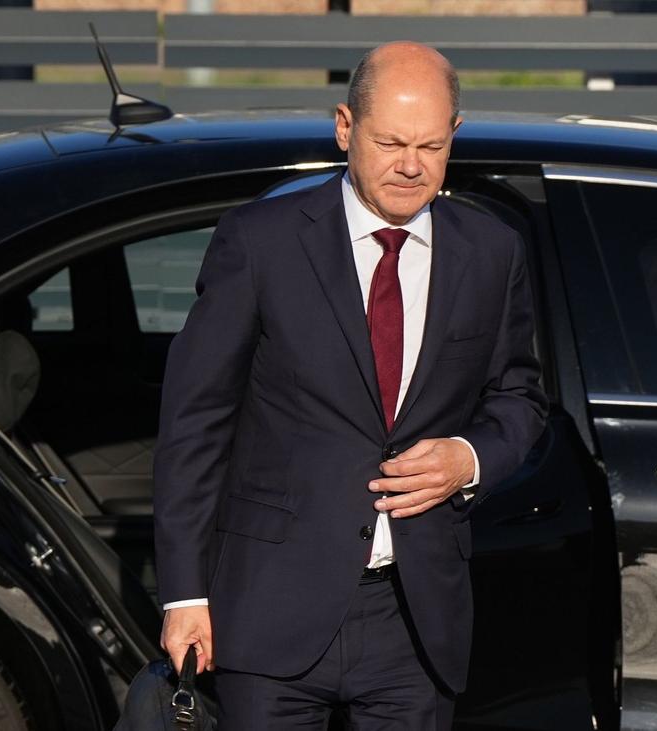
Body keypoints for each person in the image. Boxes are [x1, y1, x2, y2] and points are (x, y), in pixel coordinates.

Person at [151, 41, 547, 730]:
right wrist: (184, 594)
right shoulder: (263, 241)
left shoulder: (492, 252)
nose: (410, 165)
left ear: (454, 134)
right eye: (390, 142)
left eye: (431, 145)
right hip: (268, 610)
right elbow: (196, 420)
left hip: (415, 622)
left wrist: (469, 458)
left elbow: (519, 396)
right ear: (344, 127)